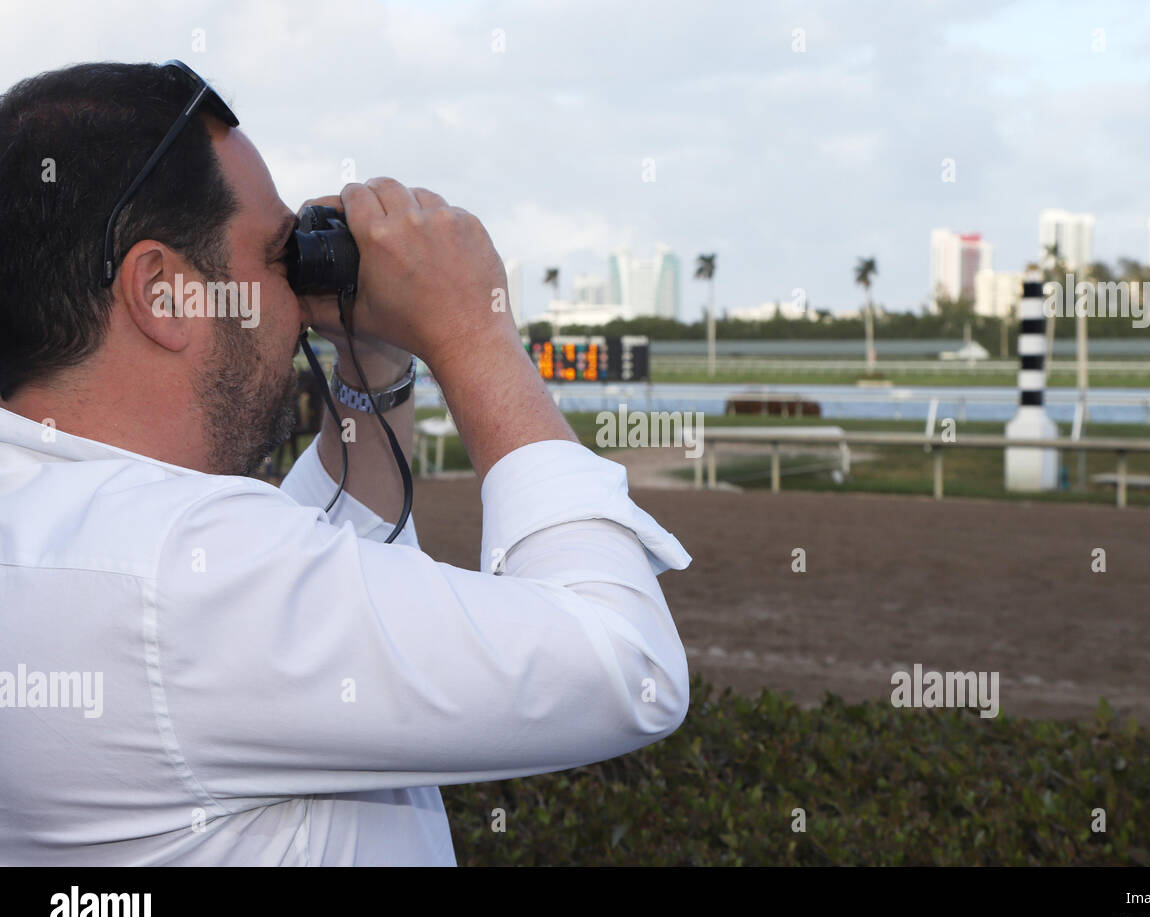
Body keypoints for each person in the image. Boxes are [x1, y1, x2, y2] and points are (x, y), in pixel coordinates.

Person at [0, 61, 691, 865]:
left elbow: (325, 570)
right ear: (163, 292)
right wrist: (474, 334)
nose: (297, 297)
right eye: (274, 255)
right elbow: (625, 665)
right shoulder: (176, 577)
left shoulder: (70, 521)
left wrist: (374, 368)